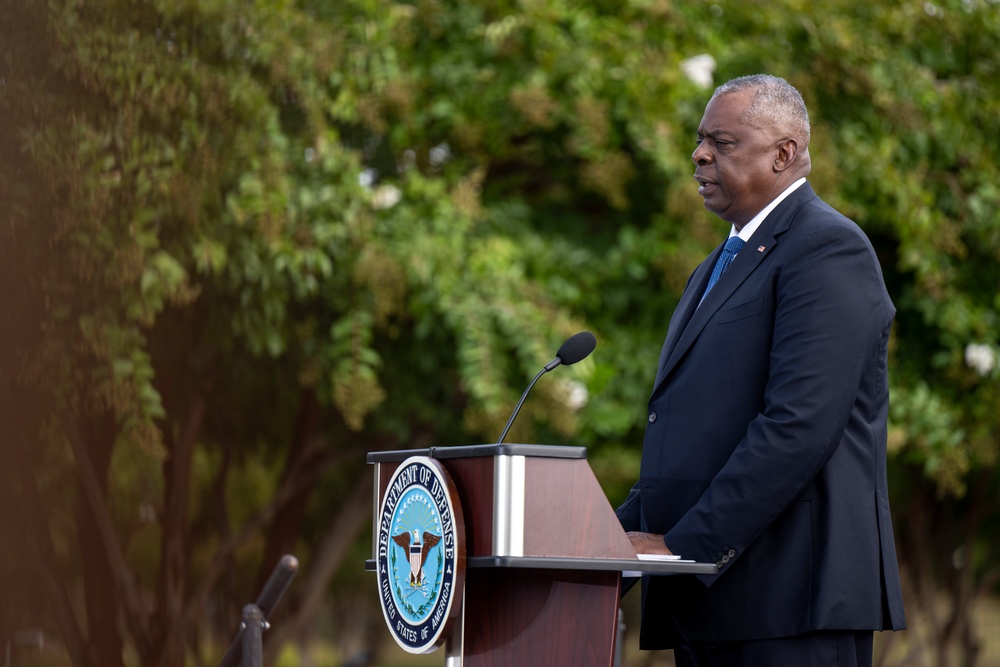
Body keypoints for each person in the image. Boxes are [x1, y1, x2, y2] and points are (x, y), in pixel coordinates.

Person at [616, 74, 906, 666]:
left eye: (722, 143)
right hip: (711, 606)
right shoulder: (713, 269)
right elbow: (689, 437)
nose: (699, 155)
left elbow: (798, 427)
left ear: (784, 154)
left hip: (791, 605)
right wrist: (596, 544)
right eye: (700, 141)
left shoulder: (828, 248)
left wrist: (681, 548)